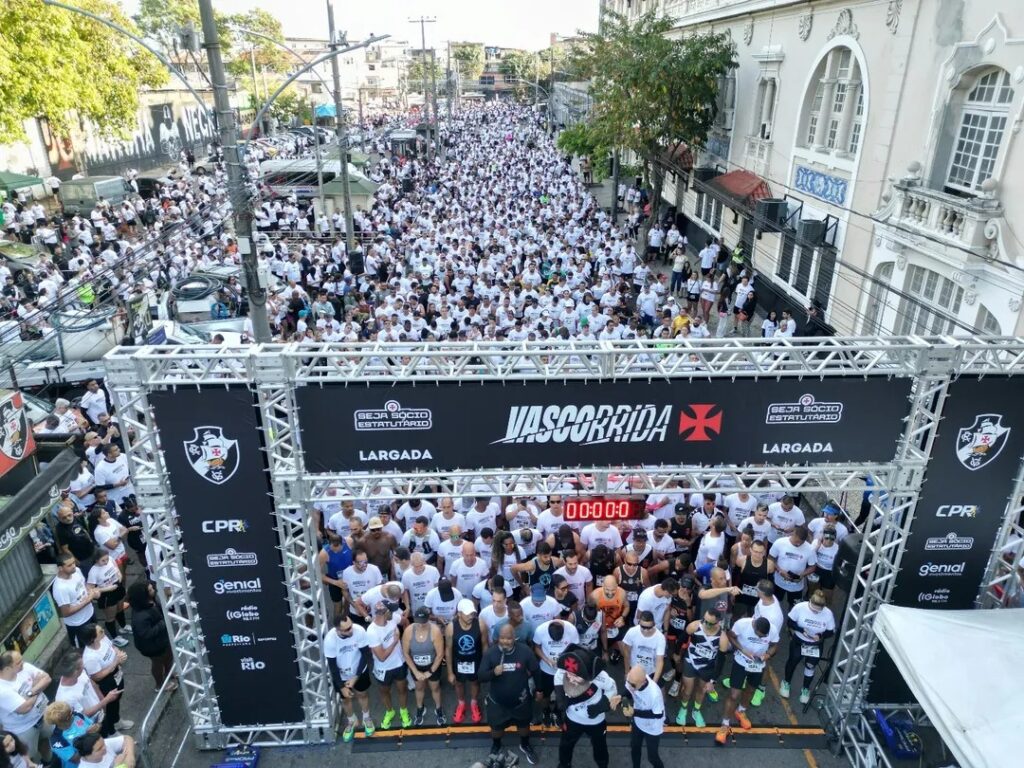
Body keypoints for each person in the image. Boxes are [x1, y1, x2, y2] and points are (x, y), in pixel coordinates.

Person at [478, 624, 542, 764]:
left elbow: (536, 671)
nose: (505, 641)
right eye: (502, 638)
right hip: (497, 703)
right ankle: (497, 745)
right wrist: (493, 672)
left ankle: (524, 744)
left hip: (521, 701)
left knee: (524, 726)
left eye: (508, 638)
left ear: (515, 638)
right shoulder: (491, 653)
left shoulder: (525, 651)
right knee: (496, 728)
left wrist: (539, 690)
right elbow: (481, 676)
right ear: (498, 638)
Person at [554, 645, 620, 768]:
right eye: (569, 674)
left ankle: (602, 765)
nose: (571, 679)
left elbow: (612, 688)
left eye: (576, 676)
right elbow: (558, 677)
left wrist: (602, 705)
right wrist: (560, 698)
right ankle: (564, 764)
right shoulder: (563, 671)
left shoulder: (601, 677)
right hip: (572, 718)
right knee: (565, 744)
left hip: (596, 721)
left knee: (600, 746)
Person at [717, 617, 774, 745]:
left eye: (763, 636)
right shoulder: (741, 624)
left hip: (758, 665)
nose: (761, 638)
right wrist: (742, 650)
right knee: (733, 695)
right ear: (754, 627)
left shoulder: (772, 630)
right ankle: (724, 724)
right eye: (759, 635)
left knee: (751, 690)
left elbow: (775, 645)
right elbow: (730, 636)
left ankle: (741, 711)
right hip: (741, 662)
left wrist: (768, 655)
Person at [780, 590, 836, 704]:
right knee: (792, 662)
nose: (815, 612)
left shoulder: (828, 613)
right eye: (813, 609)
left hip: (815, 645)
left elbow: (831, 631)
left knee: (810, 666)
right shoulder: (800, 607)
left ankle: (805, 689)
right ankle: (786, 682)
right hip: (799, 641)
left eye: (818, 611)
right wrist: (801, 630)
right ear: (809, 602)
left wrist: (820, 635)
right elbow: (790, 622)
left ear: (823, 607)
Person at [365, 602, 411, 730]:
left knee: (402, 689)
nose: (395, 613)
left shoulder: (393, 618)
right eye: (391, 611)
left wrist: (406, 641)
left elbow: (405, 621)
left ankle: (403, 710)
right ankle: (390, 711)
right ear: (384, 613)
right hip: (383, 668)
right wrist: (396, 640)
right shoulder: (372, 632)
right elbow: (382, 657)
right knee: (385, 692)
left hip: (399, 663)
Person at [79, 625, 131, 736]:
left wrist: (118, 654)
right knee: (110, 706)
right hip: (106, 682)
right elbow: (97, 677)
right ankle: (111, 731)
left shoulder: (103, 638)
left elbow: (112, 646)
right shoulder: (89, 658)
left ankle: (117, 721)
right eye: (100, 631)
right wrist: (115, 662)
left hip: (117, 674)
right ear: (93, 639)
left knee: (117, 700)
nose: (103, 631)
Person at [0, 652, 51, 763]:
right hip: (24, 729)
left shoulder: (24, 667)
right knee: (30, 757)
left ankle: (49, 763)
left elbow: (47, 678)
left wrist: (30, 693)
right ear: (8, 669)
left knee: (47, 742)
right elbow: (25, 708)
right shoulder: (2, 689)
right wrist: (35, 687)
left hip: (43, 715)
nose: (23, 663)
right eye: (18, 662)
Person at [125, 582, 174, 692]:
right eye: (151, 589)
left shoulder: (150, 601)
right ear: (144, 595)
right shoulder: (140, 616)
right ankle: (160, 685)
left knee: (168, 657)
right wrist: (163, 623)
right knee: (158, 663)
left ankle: (169, 674)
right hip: (152, 646)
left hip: (162, 639)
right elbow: (146, 633)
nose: (154, 590)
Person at [401, 607, 445, 726]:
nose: (421, 625)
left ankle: (438, 708)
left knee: (435, 688)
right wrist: (415, 671)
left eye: (424, 622)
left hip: (432, 666)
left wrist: (429, 672)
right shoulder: (409, 631)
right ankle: (420, 708)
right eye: (419, 622)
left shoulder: (435, 631)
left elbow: (440, 654)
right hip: (416, 666)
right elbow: (405, 653)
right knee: (419, 688)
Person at [532, 618, 579, 727]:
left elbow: (575, 649)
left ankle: (557, 712)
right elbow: (537, 647)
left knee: (562, 694)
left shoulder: (571, 630)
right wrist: (547, 660)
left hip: (564, 671)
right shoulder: (540, 630)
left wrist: (566, 661)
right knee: (545, 694)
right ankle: (546, 711)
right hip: (546, 670)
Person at [446, 599, 483, 724]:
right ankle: (461, 703)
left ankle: (473, 703)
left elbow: (485, 646)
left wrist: (485, 666)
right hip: (458, 661)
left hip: (475, 661)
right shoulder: (451, 627)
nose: (471, 616)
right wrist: (450, 672)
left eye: (472, 613)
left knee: (474, 683)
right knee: (459, 683)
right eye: (467, 614)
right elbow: (448, 649)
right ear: (459, 614)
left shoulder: (480, 624)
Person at [52, 554, 99, 649]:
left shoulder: (76, 571)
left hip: (90, 613)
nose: (73, 566)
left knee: (96, 639)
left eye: (73, 563)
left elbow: (84, 585)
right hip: (78, 624)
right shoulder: (60, 588)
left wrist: (92, 592)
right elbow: (66, 612)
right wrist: (87, 600)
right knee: (84, 648)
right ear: (60, 568)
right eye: (69, 565)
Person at [622, 664, 665, 768]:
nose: (630, 685)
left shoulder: (654, 693)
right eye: (628, 682)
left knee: (652, 757)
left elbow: (658, 714)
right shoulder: (631, 680)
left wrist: (634, 712)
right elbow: (627, 692)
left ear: (644, 681)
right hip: (638, 723)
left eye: (633, 685)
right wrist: (622, 701)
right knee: (634, 748)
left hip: (652, 728)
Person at [84, 550, 128, 649]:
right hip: (107, 595)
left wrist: (120, 576)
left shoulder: (111, 560)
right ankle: (114, 637)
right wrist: (106, 589)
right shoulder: (93, 571)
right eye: (103, 560)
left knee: (120, 608)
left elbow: (116, 568)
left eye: (107, 559)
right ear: (96, 560)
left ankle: (123, 626)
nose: (106, 562)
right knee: (111, 616)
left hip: (118, 587)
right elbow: (89, 589)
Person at [769, 525, 817, 607]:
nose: (798, 544)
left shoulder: (810, 549)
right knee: (774, 603)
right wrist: (780, 570)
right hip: (778, 582)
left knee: (795, 606)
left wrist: (803, 574)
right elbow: (770, 558)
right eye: (796, 541)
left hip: (796, 587)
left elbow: (813, 566)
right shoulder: (780, 542)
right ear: (792, 534)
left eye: (801, 543)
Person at [44, 701, 99, 768]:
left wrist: (97, 726)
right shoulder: (56, 740)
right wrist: (86, 737)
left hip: (97, 751)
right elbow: (75, 759)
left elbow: (93, 727)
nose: (73, 711)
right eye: (71, 711)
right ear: (67, 718)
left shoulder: (77, 715)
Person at [619, 611, 666, 683]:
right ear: (639, 623)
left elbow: (659, 661)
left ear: (654, 624)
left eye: (649, 627)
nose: (646, 630)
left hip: (651, 671)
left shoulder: (660, 638)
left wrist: (654, 682)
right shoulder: (632, 632)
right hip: (634, 670)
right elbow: (626, 653)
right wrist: (627, 672)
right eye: (643, 627)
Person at [319, 534, 353, 619]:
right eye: (332, 548)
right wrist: (335, 582)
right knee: (338, 605)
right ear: (329, 544)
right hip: (335, 581)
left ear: (342, 543)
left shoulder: (349, 541)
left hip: (351, 578)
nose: (335, 550)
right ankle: (337, 626)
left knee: (348, 603)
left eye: (337, 548)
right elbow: (317, 574)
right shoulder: (324, 553)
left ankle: (346, 621)